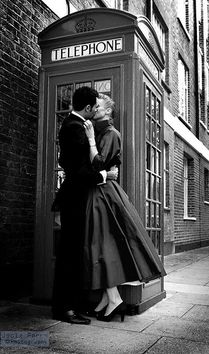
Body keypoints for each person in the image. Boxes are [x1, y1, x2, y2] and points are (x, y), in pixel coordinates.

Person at [82, 94, 166, 322]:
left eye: (97, 106)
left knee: (101, 245)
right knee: (100, 245)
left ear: (108, 111)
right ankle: (109, 299)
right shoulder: (101, 132)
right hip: (99, 192)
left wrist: (90, 139)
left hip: (104, 195)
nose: (93, 109)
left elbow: (98, 164)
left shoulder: (111, 134)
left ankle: (114, 299)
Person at [51, 87, 118, 325]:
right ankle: (64, 308)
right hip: (75, 198)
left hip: (76, 197)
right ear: (88, 108)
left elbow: (63, 160)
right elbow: (79, 171)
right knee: (69, 255)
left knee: (73, 254)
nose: (97, 110)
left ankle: (73, 304)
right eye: (95, 106)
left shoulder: (73, 124)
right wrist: (105, 176)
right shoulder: (75, 128)